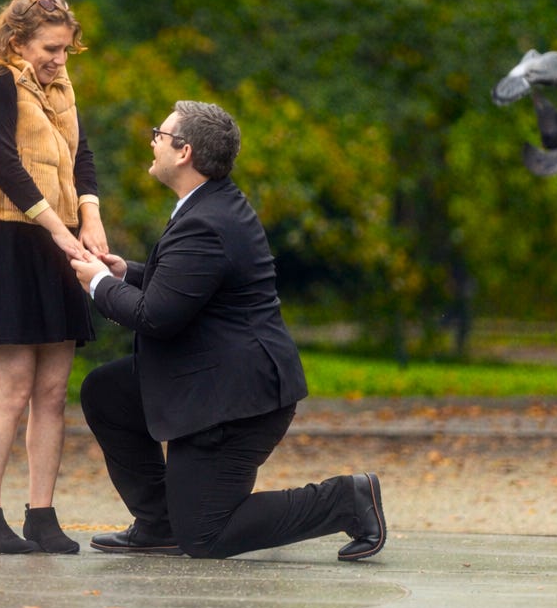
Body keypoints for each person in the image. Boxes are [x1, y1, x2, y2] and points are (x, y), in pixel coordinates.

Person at [69, 100, 386, 561]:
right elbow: (189, 288)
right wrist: (128, 275)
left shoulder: (206, 223)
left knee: (207, 535)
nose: (153, 140)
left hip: (236, 402)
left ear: (184, 152)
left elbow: (157, 318)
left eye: (160, 133)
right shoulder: (208, 206)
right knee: (108, 391)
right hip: (208, 377)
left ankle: (346, 500)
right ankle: (159, 524)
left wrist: (97, 284)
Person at [0, 0, 107, 554]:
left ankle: (42, 515)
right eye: (50, 48)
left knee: (53, 390)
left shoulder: (59, 87)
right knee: (12, 388)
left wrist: (90, 217)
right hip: (6, 238)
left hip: (54, 236)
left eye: (67, 49)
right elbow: (3, 163)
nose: (60, 59)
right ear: (17, 41)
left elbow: (81, 155)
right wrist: (58, 230)